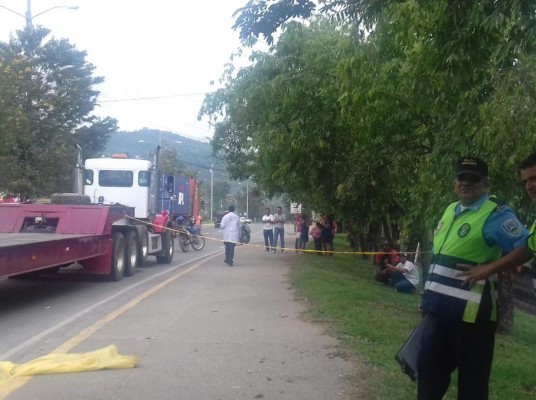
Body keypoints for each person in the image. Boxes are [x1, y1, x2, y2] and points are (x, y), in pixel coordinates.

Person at [418, 156, 532, 400]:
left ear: (485, 183)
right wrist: (426, 299)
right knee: (428, 378)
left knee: (472, 386)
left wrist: (490, 268)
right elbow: (440, 257)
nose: (465, 183)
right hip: (437, 312)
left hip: (471, 317)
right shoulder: (450, 210)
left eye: (473, 179)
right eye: (461, 178)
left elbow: (526, 247)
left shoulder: (497, 213)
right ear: (454, 182)